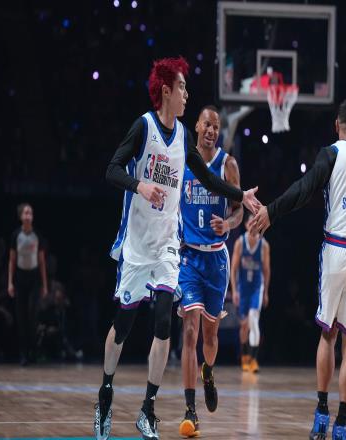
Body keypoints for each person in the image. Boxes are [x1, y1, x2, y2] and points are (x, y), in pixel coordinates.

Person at [94, 56, 260, 440]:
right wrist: (139, 185)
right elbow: (112, 169)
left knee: (165, 323)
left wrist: (241, 196)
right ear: (166, 91)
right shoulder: (144, 127)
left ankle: (148, 410)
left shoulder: (183, 135)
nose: (187, 94)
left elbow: (208, 179)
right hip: (138, 244)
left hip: (170, 246)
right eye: (182, 87)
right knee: (123, 325)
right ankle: (105, 394)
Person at [250, 98, 346, 440]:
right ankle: (343, 424)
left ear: (337, 126)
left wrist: (272, 211)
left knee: (328, 335)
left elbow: (304, 189)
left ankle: (322, 412)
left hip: (337, 249)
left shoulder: (331, 154)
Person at [177, 105, 243, 437]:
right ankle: (190, 411)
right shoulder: (183, 160)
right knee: (189, 332)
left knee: (210, 336)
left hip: (216, 260)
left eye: (216, 126)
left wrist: (228, 225)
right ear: (197, 126)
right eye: (207, 124)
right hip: (189, 258)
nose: (211, 130)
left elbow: (239, 212)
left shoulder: (227, 164)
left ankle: (208, 371)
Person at [7, 203, 48, 366]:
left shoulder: (37, 236)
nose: (28, 215)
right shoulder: (15, 235)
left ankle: (33, 351)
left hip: (34, 279)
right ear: (20, 216)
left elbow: (42, 261)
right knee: (21, 317)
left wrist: (45, 285)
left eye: (30, 213)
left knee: (32, 316)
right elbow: (12, 260)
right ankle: (23, 354)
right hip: (20, 279)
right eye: (25, 212)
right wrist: (10, 283)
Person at [230, 214, 270, 373]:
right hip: (243, 288)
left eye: (256, 223)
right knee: (244, 326)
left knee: (254, 320)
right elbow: (233, 269)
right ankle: (245, 356)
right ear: (246, 225)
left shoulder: (264, 245)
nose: (253, 226)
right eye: (251, 223)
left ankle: (253, 359)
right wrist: (234, 290)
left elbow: (266, 270)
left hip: (256, 288)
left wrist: (265, 292)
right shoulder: (240, 243)